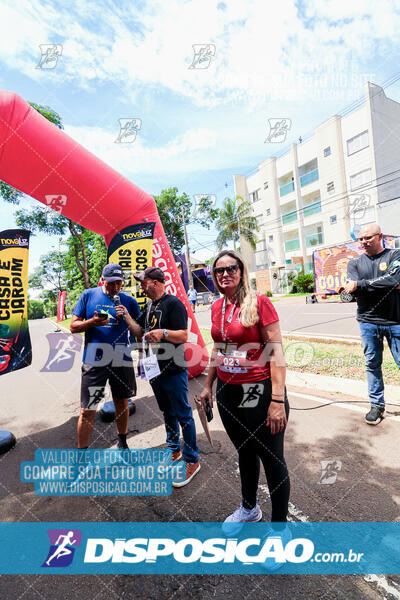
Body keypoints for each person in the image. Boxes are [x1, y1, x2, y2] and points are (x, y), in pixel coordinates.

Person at [200, 249, 290, 532]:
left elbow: (276, 353)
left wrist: (276, 400)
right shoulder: (217, 307)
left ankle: (279, 530)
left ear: (241, 272)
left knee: (272, 459)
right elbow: (219, 348)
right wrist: (207, 385)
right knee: (244, 452)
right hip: (228, 393)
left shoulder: (259, 303)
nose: (224, 274)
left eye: (231, 268)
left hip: (259, 391)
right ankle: (249, 508)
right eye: (219, 270)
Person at [128, 267, 200, 487]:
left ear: (156, 283)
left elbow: (185, 335)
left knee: (183, 415)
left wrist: (164, 333)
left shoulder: (174, 304)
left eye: (144, 282)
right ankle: (174, 450)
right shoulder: (149, 306)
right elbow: (139, 331)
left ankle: (192, 460)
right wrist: (126, 317)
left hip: (173, 368)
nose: (141, 286)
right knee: (167, 412)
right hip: (154, 368)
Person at [70, 263, 140, 449]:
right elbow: (73, 327)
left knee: (122, 403)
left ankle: (122, 444)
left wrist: (127, 317)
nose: (116, 288)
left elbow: (140, 333)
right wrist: (93, 322)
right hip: (94, 360)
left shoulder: (129, 301)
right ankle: (82, 456)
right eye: (111, 283)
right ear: (102, 280)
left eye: (119, 283)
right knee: (88, 409)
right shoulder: (88, 295)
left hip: (121, 358)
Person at [345, 223, 400, 425]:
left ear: (380, 236)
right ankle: (377, 405)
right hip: (368, 322)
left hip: (396, 321)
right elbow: (354, 291)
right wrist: (384, 285)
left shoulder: (395, 255)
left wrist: (362, 284)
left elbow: (395, 279)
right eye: (360, 239)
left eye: (368, 238)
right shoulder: (355, 264)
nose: (364, 242)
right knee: (372, 364)